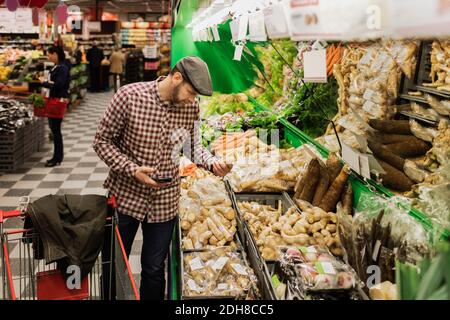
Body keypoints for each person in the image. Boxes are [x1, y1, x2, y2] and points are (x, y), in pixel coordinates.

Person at [93, 56, 232, 300]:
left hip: (164, 200)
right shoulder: (129, 96)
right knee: (113, 264)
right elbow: (102, 141)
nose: (192, 99)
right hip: (125, 195)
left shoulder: (191, 107)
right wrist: (131, 168)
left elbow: (192, 146)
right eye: (190, 92)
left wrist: (212, 162)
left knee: (154, 269)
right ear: (176, 77)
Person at [40, 46, 70, 167]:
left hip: (57, 101)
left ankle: (57, 158)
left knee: (56, 131)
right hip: (54, 99)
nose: (49, 57)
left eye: (50, 54)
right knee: (55, 130)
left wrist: (45, 83)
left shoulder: (62, 68)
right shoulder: (57, 66)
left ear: (56, 54)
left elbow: (59, 85)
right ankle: (57, 156)